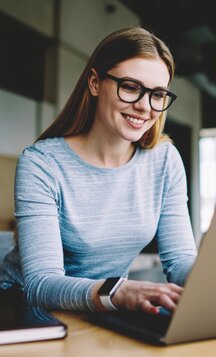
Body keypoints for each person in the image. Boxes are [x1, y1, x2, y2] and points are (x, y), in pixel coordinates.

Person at [0, 27, 197, 314]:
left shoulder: (164, 159)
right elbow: (41, 283)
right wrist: (116, 290)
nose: (144, 106)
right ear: (94, 83)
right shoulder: (42, 162)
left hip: (103, 309)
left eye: (157, 94)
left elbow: (179, 260)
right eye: (130, 87)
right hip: (24, 309)